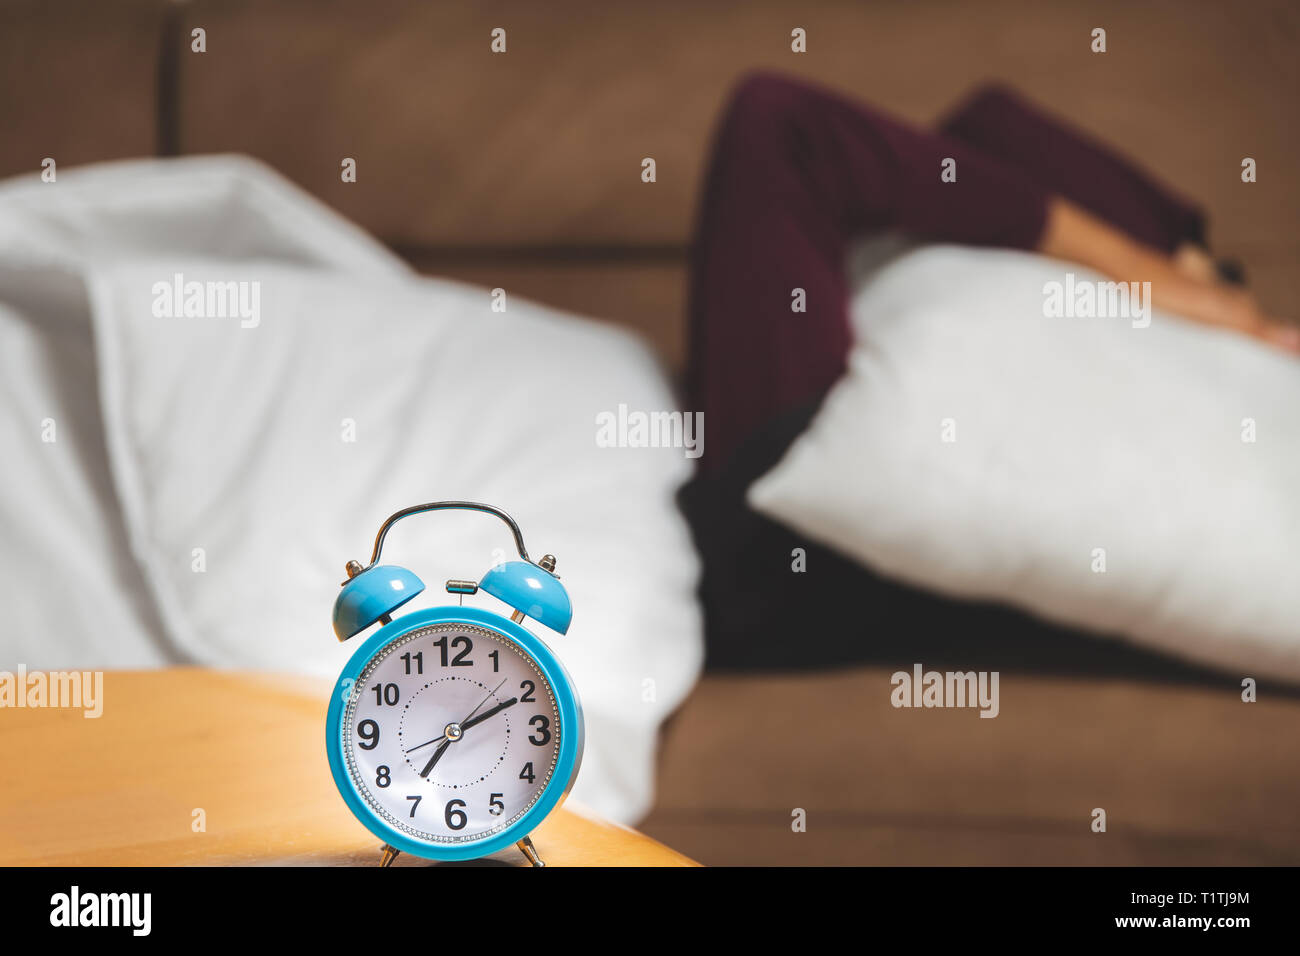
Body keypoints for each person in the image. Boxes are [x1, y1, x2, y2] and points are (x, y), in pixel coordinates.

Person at [681, 73, 1298, 671]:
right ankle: (1197, 273)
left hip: (779, 552)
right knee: (989, 127)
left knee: (779, 122)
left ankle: (1182, 275)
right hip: (796, 541)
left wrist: (1144, 275)